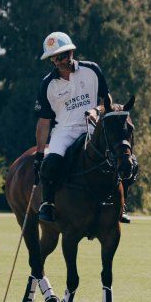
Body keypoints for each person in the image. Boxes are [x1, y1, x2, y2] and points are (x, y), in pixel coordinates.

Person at [33, 32, 132, 223]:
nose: (57, 61)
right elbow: (44, 122)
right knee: (50, 164)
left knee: (124, 156)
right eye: (53, 58)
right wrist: (38, 154)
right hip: (65, 130)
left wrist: (97, 109)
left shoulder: (91, 70)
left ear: (71, 52)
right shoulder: (47, 84)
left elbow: (107, 101)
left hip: (94, 127)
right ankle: (48, 204)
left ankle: (121, 204)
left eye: (61, 56)